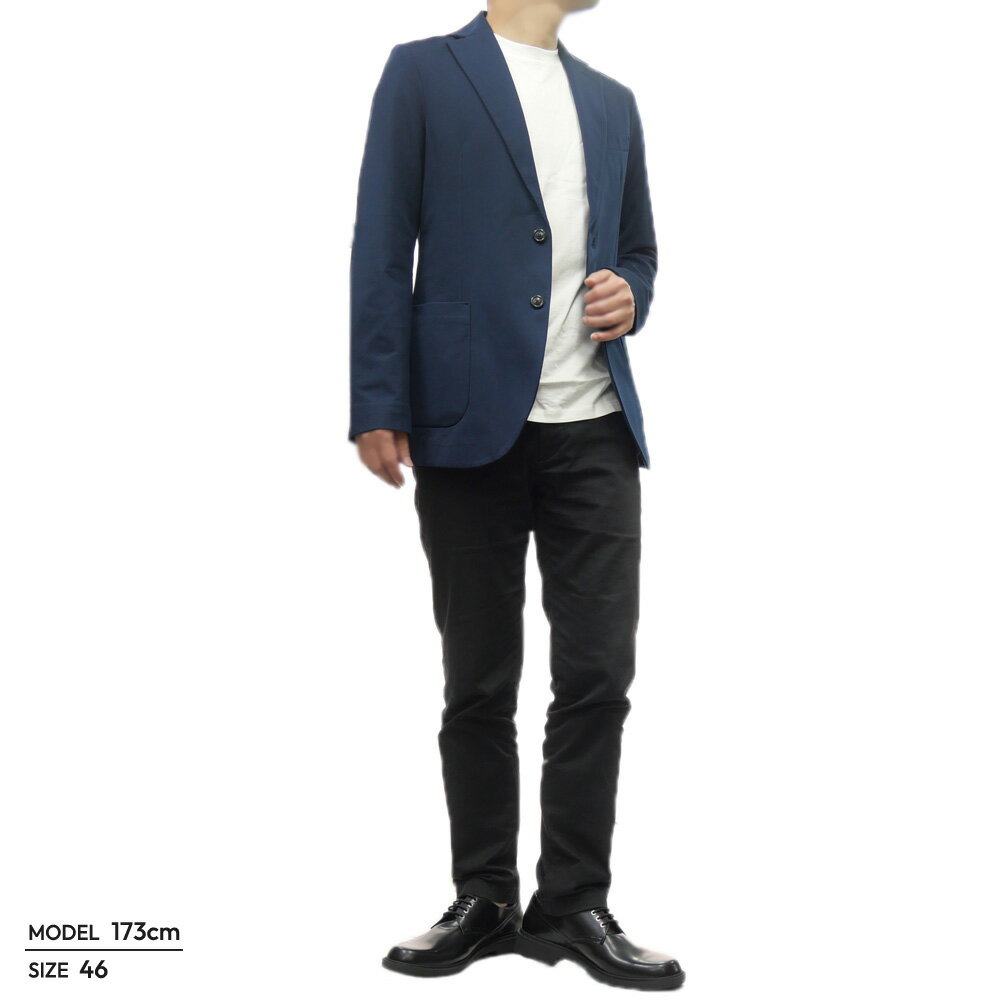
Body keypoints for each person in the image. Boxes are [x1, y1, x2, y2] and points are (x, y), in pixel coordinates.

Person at [349, 2, 685, 990]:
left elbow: (639, 250)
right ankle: (484, 895)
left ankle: (572, 900)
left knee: (598, 674)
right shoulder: (422, 73)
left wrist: (630, 290)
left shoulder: (612, 102)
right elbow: (381, 241)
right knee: (478, 677)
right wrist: (377, 401)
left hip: (595, 430)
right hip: (464, 422)